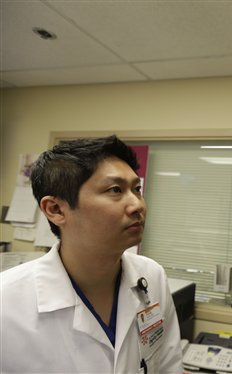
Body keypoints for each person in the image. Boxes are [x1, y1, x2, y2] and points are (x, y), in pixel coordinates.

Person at [0, 135, 184, 373]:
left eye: (137, 189)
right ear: (55, 209)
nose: (137, 205)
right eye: (115, 190)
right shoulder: (6, 303)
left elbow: (167, 365)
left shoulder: (152, 276)